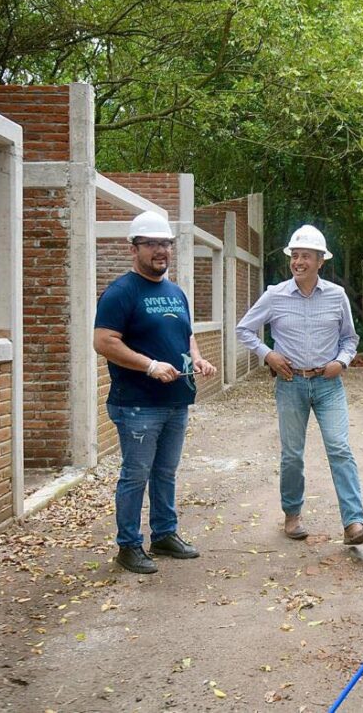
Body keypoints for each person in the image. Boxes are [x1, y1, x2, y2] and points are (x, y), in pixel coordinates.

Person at [94, 210, 217, 574]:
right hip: (137, 404)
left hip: (175, 400)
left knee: (165, 472)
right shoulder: (120, 292)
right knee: (136, 474)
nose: (161, 250)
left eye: (165, 243)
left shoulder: (175, 291)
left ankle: (164, 534)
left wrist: (197, 358)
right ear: (134, 248)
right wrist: (149, 365)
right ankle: (128, 545)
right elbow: (104, 341)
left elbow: (186, 333)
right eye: (152, 244)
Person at [236, 224, 363, 545]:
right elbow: (244, 329)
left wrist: (341, 362)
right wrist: (268, 354)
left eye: (306, 256)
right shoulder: (275, 295)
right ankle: (292, 515)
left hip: (328, 385)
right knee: (292, 455)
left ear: (320, 261)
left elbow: (350, 339)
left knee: (340, 448)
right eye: (294, 256)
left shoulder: (337, 296)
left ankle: (354, 523)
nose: (298, 262)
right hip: (290, 383)